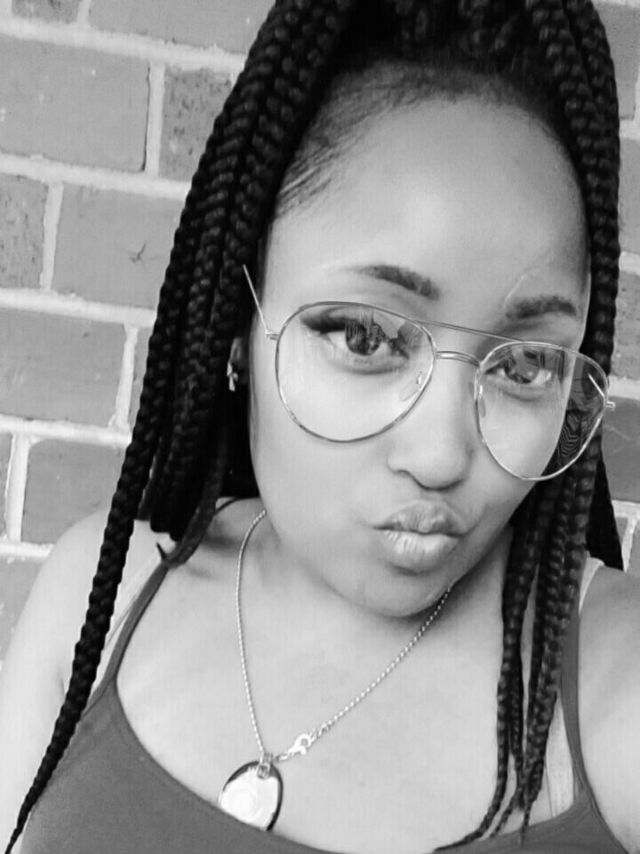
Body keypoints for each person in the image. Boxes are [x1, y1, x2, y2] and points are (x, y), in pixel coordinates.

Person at [0, 0, 638, 851]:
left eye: (524, 366)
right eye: (365, 338)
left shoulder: (617, 690)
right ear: (238, 320)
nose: (442, 455)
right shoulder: (102, 597)